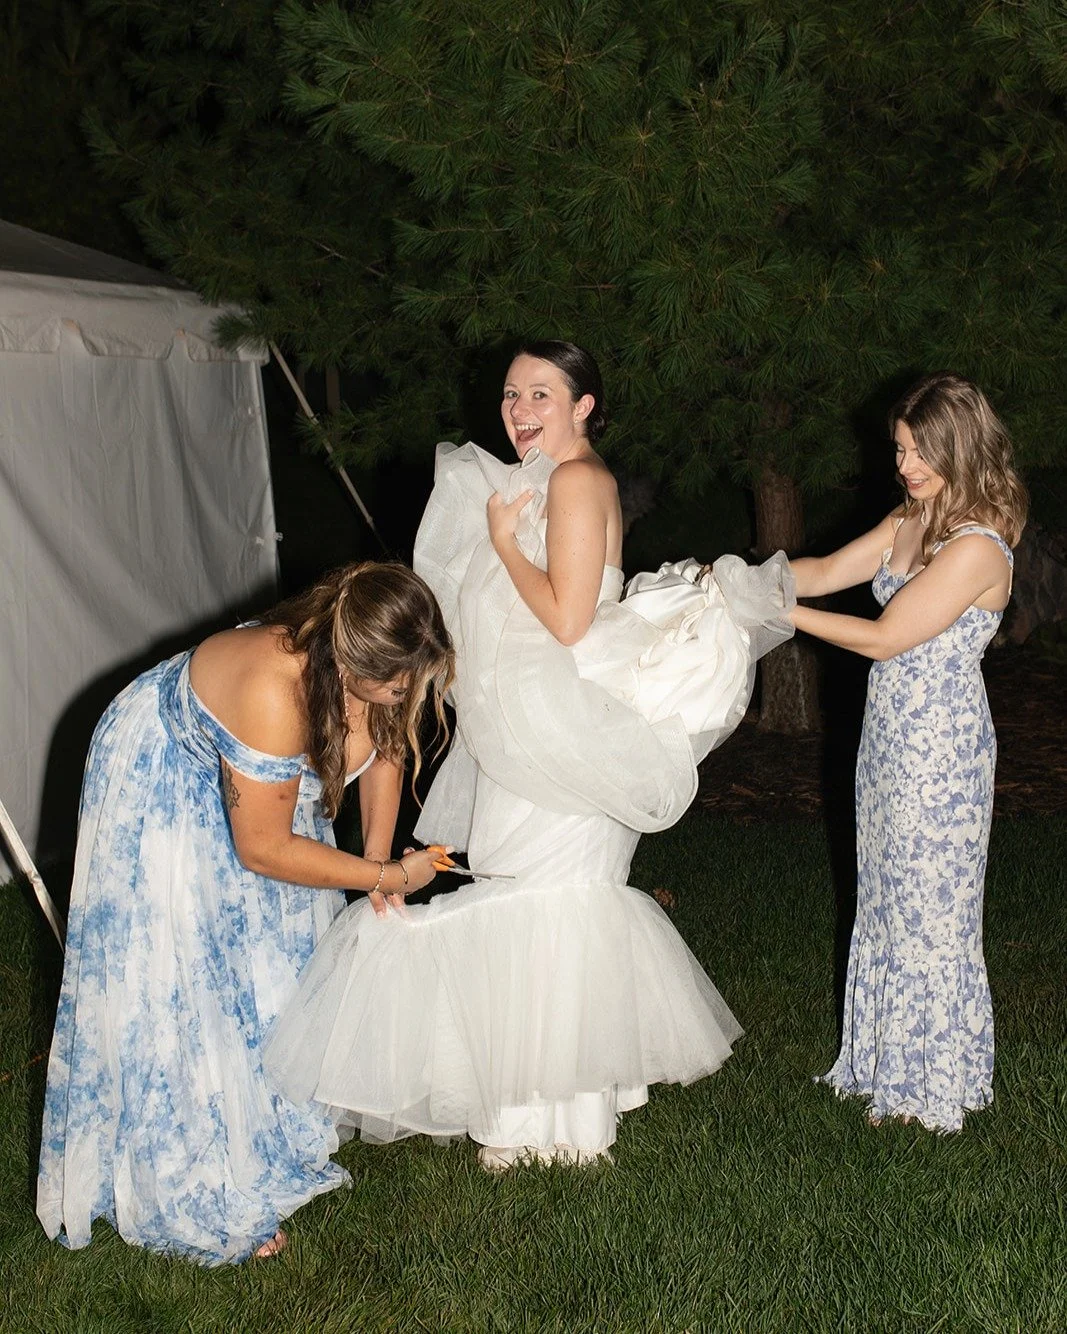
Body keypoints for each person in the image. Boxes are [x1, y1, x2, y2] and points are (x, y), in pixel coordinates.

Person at [266, 341, 794, 1168]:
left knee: (548, 908)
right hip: (535, 726)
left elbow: (570, 621)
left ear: (584, 406)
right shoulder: (543, 481)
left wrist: (504, 541)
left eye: (541, 395)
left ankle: (562, 1129)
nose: (519, 411)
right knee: (527, 904)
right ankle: (527, 1120)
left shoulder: (579, 481)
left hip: (567, 728)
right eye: (512, 395)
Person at [37, 562, 454, 1264]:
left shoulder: (376, 657)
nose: (410, 695)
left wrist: (380, 865)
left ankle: (263, 1133)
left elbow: (382, 744)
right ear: (351, 663)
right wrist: (383, 874)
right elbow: (263, 847)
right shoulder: (275, 691)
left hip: (256, 785)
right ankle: (195, 1184)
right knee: (189, 984)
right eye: (398, 683)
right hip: (162, 774)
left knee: (273, 955)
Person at [788, 372, 1028, 1132]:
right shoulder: (910, 520)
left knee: (932, 914)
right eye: (898, 450)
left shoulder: (979, 547)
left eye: (921, 452)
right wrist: (733, 579)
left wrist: (779, 613)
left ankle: (932, 1086)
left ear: (963, 448)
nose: (905, 465)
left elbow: (887, 637)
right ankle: (880, 1064)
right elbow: (825, 571)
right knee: (887, 901)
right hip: (889, 738)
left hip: (942, 751)